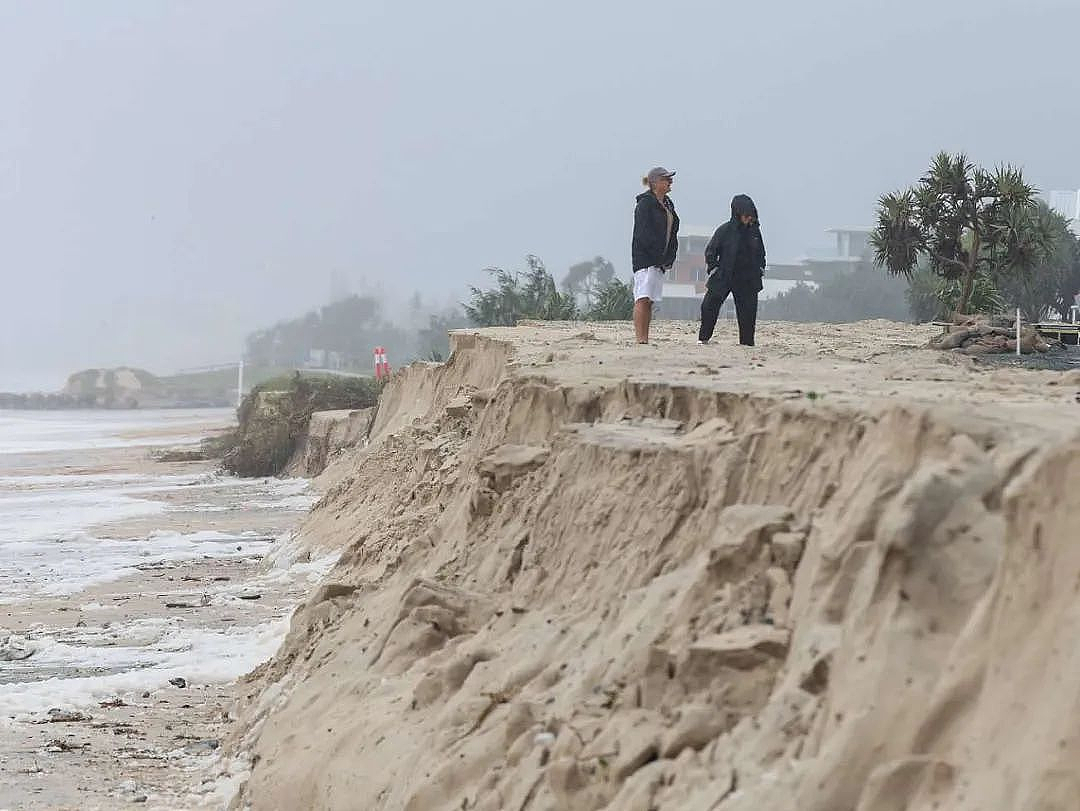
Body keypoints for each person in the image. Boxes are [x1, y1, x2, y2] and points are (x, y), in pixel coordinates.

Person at [698, 194, 766, 346]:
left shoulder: (755, 232)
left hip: (747, 279)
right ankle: (703, 339)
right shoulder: (725, 230)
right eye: (746, 215)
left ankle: (747, 344)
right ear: (737, 214)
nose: (749, 219)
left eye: (752, 216)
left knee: (748, 313)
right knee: (709, 307)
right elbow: (710, 251)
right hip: (724, 276)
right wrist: (714, 269)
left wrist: (760, 269)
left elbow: (761, 253)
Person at [631, 167, 680, 344]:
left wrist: (669, 256)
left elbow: (672, 233)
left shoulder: (668, 204)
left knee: (649, 300)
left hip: (660, 260)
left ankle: (645, 337)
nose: (670, 182)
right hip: (646, 259)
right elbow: (643, 234)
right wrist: (655, 255)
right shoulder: (645, 204)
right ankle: (640, 338)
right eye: (667, 179)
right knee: (642, 297)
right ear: (655, 182)